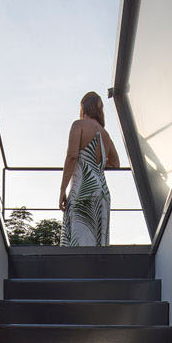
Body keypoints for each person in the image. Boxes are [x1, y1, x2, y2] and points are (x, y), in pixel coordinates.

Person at [59, 91, 120, 248]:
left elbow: (72, 156)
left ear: (83, 107)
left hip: (83, 190)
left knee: (78, 248)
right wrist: (95, 164)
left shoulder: (78, 125)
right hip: (102, 194)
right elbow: (115, 163)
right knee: (97, 249)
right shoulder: (105, 134)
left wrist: (62, 190)